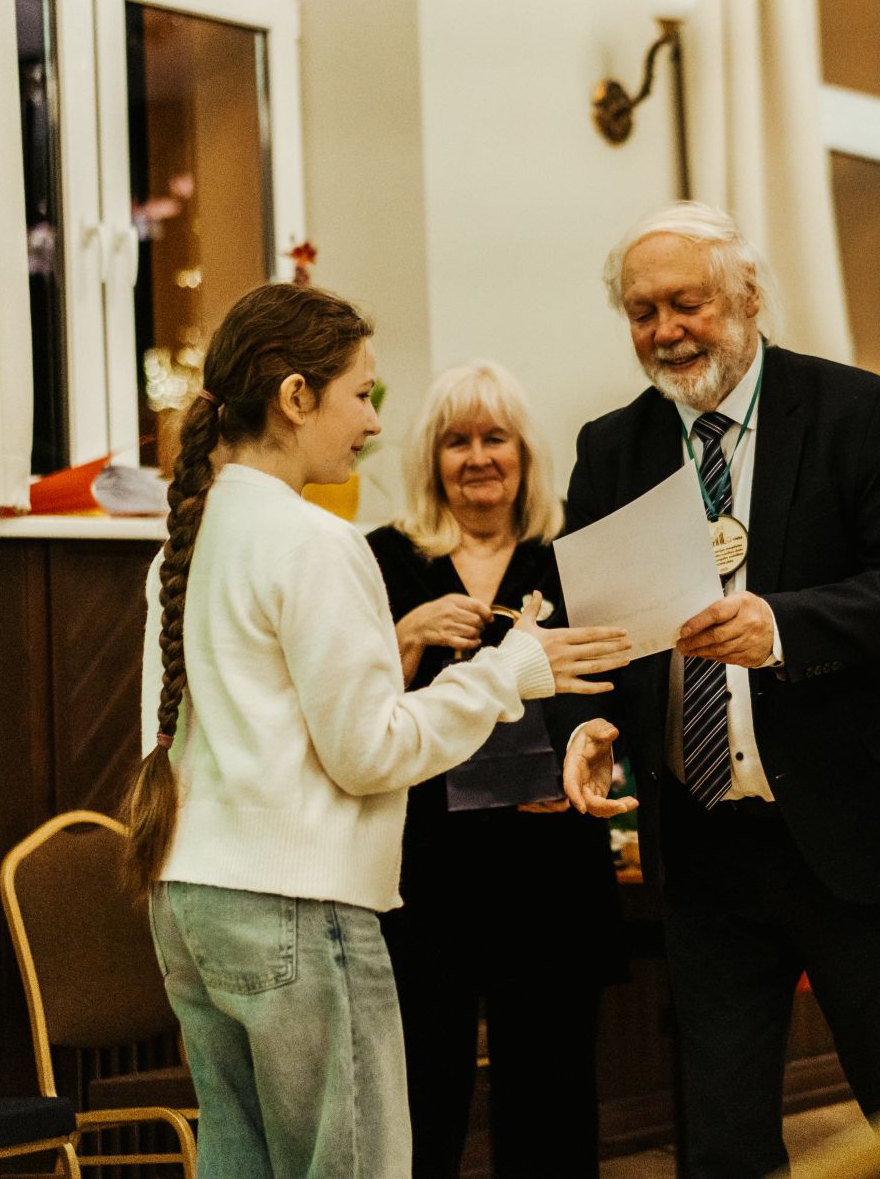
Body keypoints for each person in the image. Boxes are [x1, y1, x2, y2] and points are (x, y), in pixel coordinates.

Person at [122, 283, 630, 1179]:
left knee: (242, 1162)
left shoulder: (189, 543)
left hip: (193, 899)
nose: (371, 421)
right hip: (297, 902)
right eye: (360, 393)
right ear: (295, 397)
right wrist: (509, 669)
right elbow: (369, 753)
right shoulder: (317, 543)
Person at [555, 202, 880, 1179]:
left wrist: (782, 626)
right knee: (721, 1138)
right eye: (642, 312)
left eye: (687, 304)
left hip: (862, 822)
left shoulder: (854, 411)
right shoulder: (610, 449)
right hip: (705, 841)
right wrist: (586, 721)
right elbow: (589, 630)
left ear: (747, 297)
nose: (666, 331)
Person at [365, 362, 622, 1179]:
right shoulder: (384, 558)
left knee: (552, 1093)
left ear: (524, 452)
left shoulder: (572, 554)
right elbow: (349, 705)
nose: (477, 457)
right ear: (431, 459)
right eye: (456, 441)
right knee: (421, 1091)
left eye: (495, 437)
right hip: (424, 866)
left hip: (549, 857)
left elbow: (611, 678)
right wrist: (407, 634)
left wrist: (590, 747)